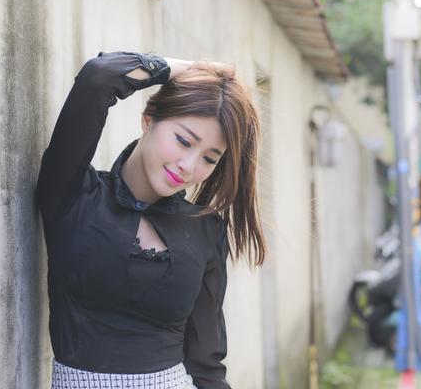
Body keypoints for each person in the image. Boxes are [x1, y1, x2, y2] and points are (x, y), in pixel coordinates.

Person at [36, 51, 265, 389]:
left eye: (209, 158)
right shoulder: (74, 195)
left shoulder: (205, 229)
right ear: (149, 119)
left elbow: (206, 366)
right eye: (183, 141)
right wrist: (186, 70)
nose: (189, 165)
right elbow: (99, 77)